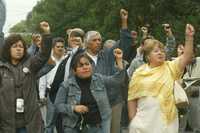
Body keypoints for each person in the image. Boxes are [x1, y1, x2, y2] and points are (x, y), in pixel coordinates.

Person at [128, 24, 195, 133]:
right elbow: (131, 98)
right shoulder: (138, 73)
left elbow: (187, 56)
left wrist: (189, 37)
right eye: (156, 51)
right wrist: (133, 120)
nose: (160, 53)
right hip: (144, 123)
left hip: (167, 121)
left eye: (162, 51)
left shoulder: (170, 67)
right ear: (148, 56)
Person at [55, 49, 128, 133]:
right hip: (74, 127)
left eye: (87, 64)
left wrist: (119, 60)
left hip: (99, 126)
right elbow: (58, 106)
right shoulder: (66, 85)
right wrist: (74, 108)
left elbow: (118, 80)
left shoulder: (99, 79)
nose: (85, 67)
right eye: (81, 65)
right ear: (74, 70)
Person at [0, 21, 52, 133]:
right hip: (7, 126)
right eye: (14, 46)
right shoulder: (1, 69)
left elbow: (43, 55)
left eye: (21, 46)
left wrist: (46, 34)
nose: (19, 49)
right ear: (7, 49)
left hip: (29, 125)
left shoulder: (30, 64)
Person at [39, 37, 65, 133]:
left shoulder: (66, 60)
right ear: (53, 48)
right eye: (58, 46)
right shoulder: (48, 61)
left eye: (62, 46)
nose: (60, 48)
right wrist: (42, 95)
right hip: (51, 93)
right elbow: (42, 78)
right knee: (50, 122)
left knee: (63, 121)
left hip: (64, 93)